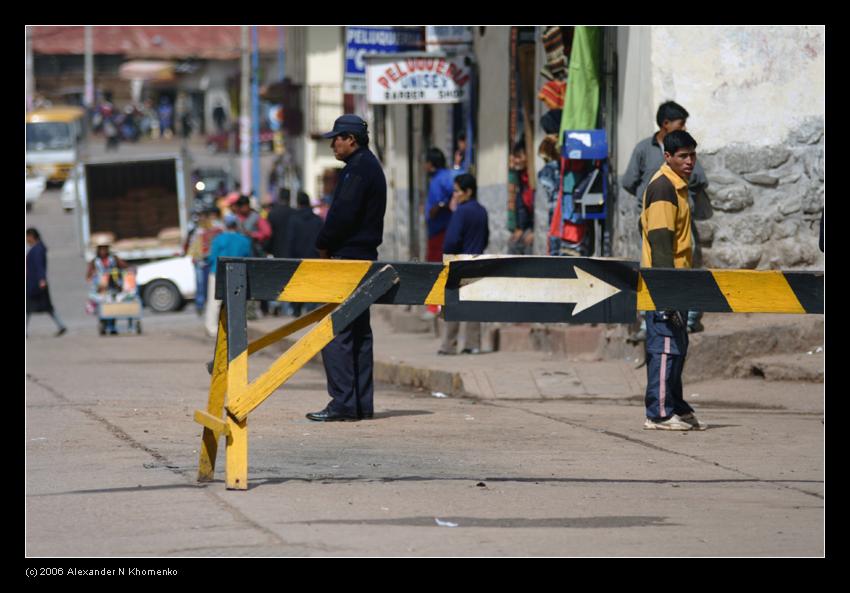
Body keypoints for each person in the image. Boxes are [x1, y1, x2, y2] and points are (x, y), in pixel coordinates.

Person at [309, 114, 387, 422]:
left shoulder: (357, 170)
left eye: (336, 139)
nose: (332, 144)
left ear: (350, 139)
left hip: (348, 259)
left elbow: (342, 216)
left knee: (336, 330)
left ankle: (342, 402)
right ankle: (360, 404)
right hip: (364, 256)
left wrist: (323, 243)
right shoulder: (369, 166)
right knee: (358, 332)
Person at [622, 101, 708, 336]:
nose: (689, 161)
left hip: (680, 214)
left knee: (682, 258)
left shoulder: (686, 153)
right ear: (665, 124)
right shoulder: (644, 149)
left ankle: (685, 317)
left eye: (692, 156)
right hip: (656, 214)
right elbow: (628, 181)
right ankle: (655, 316)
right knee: (659, 257)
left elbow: (699, 178)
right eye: (681, 124)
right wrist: (650, 197)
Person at [640, 130, 707, 432]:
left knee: (677, 346)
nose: (689, 161)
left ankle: (677, 406)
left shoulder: (678, 187)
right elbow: (661, 242)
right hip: (663, 284)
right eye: (683, 156)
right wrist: (665, 291)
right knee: (665, 347)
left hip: (678, 282)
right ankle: (659, 413)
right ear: (668, 156)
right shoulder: (664, 188)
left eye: (692, 155)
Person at [438, 174, 489, 356]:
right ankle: (473, 344)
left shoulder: (461, 212)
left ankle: (449, 345)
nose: (455, 195)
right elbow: (486, 237)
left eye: (458, 191)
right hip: (478, 260)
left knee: (453, 303)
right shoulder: (482, 211)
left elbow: (451, 240)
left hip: (459, 262)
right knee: (474, 304)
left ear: (468, 192)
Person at [204, 214, 254, 337]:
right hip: (238, 273)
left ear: (225, 225)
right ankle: (236, 328)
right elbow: (249, 257)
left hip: (218, 272)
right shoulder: (245, 240)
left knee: (214, 301)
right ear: (236, 225)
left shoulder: (219, 239)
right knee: (236, 301)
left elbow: (212, 257)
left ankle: (212, 328)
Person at [423, 147, 458, 319]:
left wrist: (441, 206)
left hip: (441, 230)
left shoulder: (442, 178)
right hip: (438, 229)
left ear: (431, 163)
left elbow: (453, 193)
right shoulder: (439, 178)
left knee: (435, 267)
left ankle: (434, 306)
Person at [287, 191, 324, 316]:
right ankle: (311, 312)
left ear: (298, 203)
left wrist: (290, 257)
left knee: (298, 285)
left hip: (297, 258)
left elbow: (290, 240)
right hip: (314, 257)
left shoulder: (293, 220)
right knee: (312, 285)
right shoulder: (317, 220)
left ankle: (297, 310)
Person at [26, 228, 67, 338]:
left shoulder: (38, 249)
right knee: (42, 308)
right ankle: (61, 325)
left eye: (27, 236)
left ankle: (61, 325)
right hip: (34, 282)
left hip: (36, 284)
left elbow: (40, 266)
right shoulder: (35, 248)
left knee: (33, 307)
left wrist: (42, 279)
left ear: (31, 236)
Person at [86, 241, 128, 335]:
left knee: (112, 307)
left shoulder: (113, 259)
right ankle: (103, 325)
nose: (103, 251)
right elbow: (88, 275)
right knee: (102, 308)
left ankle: (112, 326)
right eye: (101, 249)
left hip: (113, 287)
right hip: (100, 289)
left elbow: (124, 266)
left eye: (105, 249)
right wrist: (94, 278)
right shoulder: (95, 261)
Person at [186, 208, 223, 317]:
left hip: (209, 259)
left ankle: (206, 305)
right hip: (199, 260)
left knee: (209, 284)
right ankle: (200, 306)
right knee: (200, 284)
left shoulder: (214, 228)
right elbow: (192, 244)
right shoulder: (196, 230)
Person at [507, 141, 534, 255]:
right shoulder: (520, 176)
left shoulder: (531, 178)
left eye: (519, 157)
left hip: (533, 226)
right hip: (525, 225)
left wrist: (534, 231)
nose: (516, 161)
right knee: (513, 242)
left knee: (526, 243)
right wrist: (520, 228)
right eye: (515, 157)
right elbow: (520, 205)